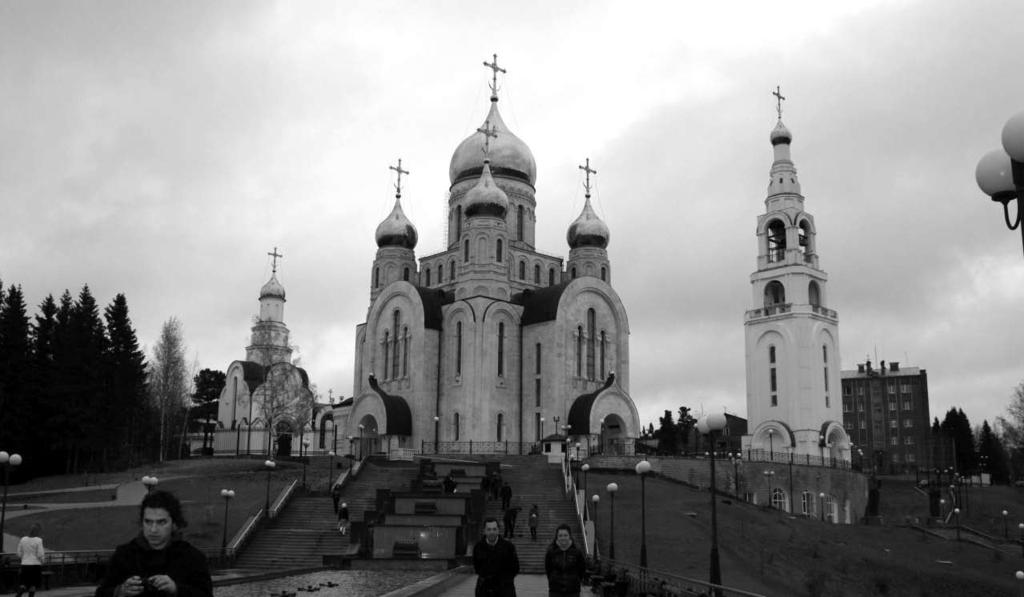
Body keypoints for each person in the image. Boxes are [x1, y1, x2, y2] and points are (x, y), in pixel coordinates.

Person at [95, 490, 212, 597]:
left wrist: (176, 589)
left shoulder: (192, 558)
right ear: (141, 522)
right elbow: (101, 593)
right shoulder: (124, 555)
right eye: (148, 522)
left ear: (174, 524)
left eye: (161, 522)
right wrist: (120, 591)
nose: (153, 529)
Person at [473, 517, 519, 597]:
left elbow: (515, 567)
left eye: (494, 529)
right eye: (489, 529)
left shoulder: (508, 547)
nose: (492, 532)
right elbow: (477, 567)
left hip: (505, 590)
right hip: (485, 590)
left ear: (498, 530)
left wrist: (504, 580)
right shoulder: (478, 547)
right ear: (484, 531)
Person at [544, 524, 586, 597]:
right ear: (557, 537)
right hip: (555, 590)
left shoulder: (577, 552)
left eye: (565, 535)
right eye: (560, 535)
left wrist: (576, 580)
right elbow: (548, 569)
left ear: (570, 536)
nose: (563, 538)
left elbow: (582, 569)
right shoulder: (551, 552)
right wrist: (552, 579)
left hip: (573, 591)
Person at [15, 523, 44, 597]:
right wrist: (42, 561)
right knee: (33, 585)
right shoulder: (38, 540)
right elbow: (40, 554)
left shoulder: (23, 539)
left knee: (23, 584)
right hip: (35, 565)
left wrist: (23, 558)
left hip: (25, 564)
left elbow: (19, 553)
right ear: (37, 532)